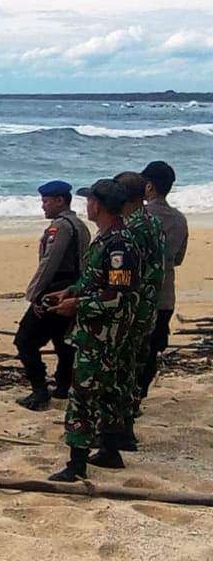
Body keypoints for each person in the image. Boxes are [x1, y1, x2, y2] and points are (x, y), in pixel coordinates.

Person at [46, 178, 141, 481]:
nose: (86, 205)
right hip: (98, 329)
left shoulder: (120, 244)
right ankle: (110, 451)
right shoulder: (106, 238)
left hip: (102, 333)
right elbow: (94, 281)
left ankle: (76, 464)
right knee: (107, 391)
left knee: (83, 395)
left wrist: (79, 306)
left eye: (89, 200)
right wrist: (70, 292)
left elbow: (117, 294)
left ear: (98, 205)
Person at [14, 180, 91, 411]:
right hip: (73, 287)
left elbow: (50, 262)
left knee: (25, 340)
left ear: (60, 201)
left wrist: (35, 293)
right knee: (63, 341)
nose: (43, 207)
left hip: (56, 288)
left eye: (46, 201)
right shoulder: (80, 225)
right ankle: (62, 386)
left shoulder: (61, 227)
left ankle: (39, 391)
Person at [114, 171, 165, 452]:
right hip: (148, 306)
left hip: (131, 308)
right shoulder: (153, 223)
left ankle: (122, 431)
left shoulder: (131, 230)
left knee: (122, 368)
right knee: (134, 365)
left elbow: (125, 276)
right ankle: (126, 424)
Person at [138, 161, 189, 398]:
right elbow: (178, 258)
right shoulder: (179, 219)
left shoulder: (139, 217)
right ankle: (140, 395)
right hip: (165, 295)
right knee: (152, 350)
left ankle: (130, 398)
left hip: (139, 295)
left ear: (149, 187)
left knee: (134, 349)